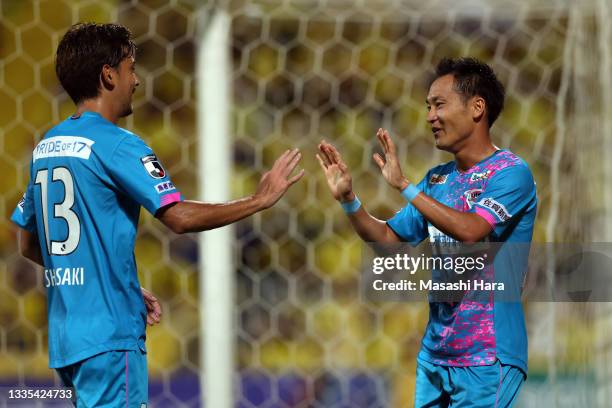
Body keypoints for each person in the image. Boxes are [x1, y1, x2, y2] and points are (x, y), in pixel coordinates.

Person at [11, 23, 303, 407]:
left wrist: (111, 278)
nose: (137, 80)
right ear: (108, 75)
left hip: (68, 341)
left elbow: (27, 241)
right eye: (131, 68)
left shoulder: (47, 147)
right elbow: (178, 217)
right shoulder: (118, 144)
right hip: (111, 340)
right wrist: (258, 200)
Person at [318, 57, 536, 407]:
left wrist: (403, 185)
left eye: (439, 104)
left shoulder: (511, 173)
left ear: (477, 107)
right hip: (435, 356)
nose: (430, 116)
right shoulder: (437, 180)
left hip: (487, 357)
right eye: (427, 107)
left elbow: (472, 231)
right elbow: (388, 242)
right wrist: (349, 200)